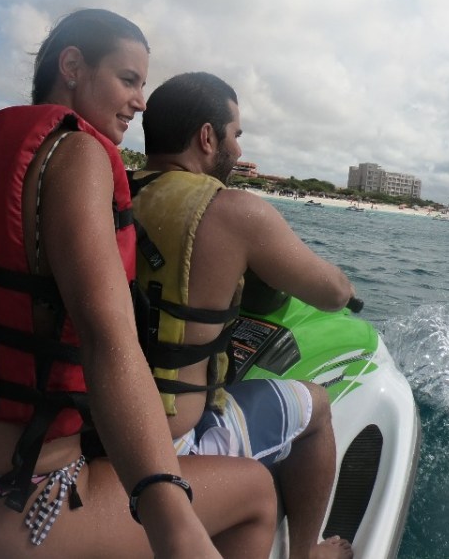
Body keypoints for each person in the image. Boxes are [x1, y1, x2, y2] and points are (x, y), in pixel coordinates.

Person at [0, 12, 277, 559]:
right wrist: (171, 516)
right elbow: (104, 338)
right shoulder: (79, 153)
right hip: (12, 503)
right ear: (72, 66)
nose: (141, 100)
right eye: (128, 79)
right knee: (256, 491)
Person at [130, 71, 358, 559]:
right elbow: (332, 294)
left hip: (112, 427)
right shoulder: (233, 211)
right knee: (316, 407)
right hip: (177, 441)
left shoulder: (115, 194)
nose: (236, 147)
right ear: (207, 137)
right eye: (235, 134)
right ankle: (306, 553)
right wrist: (345, 282)